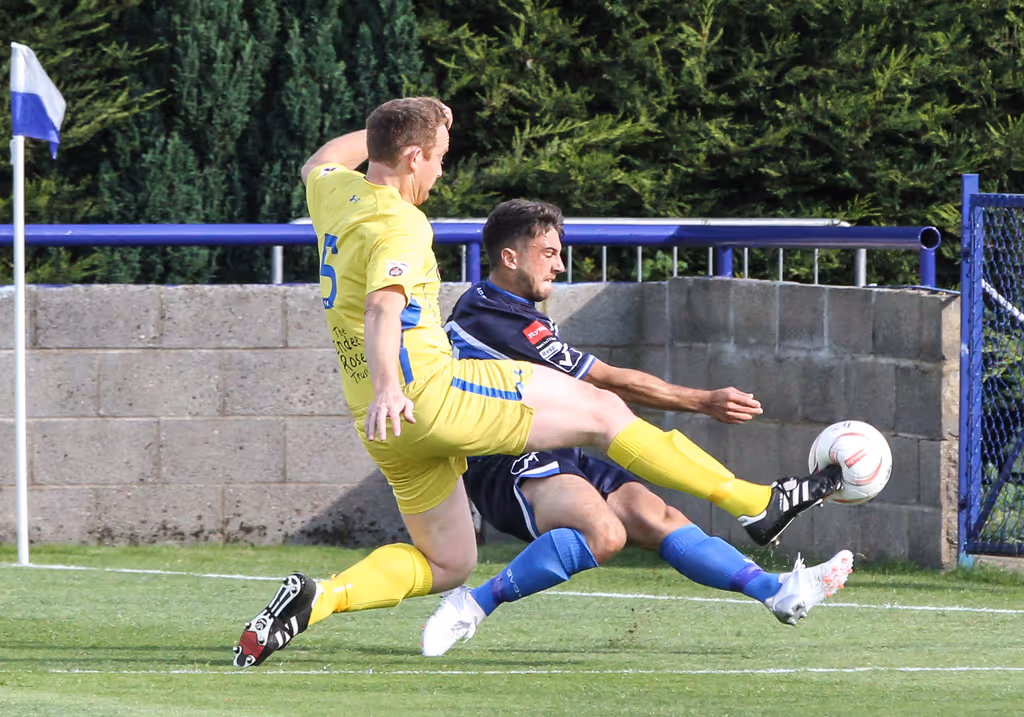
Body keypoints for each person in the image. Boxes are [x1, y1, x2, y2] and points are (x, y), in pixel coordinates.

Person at [232, 97, 840, 668]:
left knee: (447, 562)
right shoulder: (403, 224)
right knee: (604, 412)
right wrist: (394, 385)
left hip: (380, 422)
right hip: (427, 396)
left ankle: (321, 598)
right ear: (414, 157)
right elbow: (382, 310)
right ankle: (755, 504)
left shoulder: (335, 196)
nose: (440, 174)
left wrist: (401, 126)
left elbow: (321, 160)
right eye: (439, 158)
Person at [420, 199, 852, 656]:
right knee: (603, 534)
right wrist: (702, 400)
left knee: (656, 516)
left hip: (552, 449)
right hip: (504, 463)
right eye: (548, 253)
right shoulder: (491, 314)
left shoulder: (509, 310)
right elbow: (606, 378)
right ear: (509, 257)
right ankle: (469, 606)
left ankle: (774, 590)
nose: (560, 264)